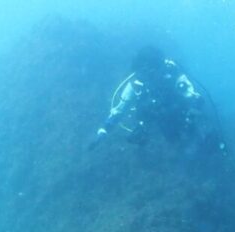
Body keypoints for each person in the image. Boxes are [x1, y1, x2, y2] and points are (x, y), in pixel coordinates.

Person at [90, 46, 224, 155]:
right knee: (175, 141)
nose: (148, 76)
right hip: (162, 121)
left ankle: (210, 144)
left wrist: (191, 115)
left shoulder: (173, 76)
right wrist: (103, 131)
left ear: (159, 67)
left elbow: (195, 98)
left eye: (151, 71)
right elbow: (119, 110)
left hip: (182, 114)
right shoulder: (136, 83)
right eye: (144, 73)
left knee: (201, 140)